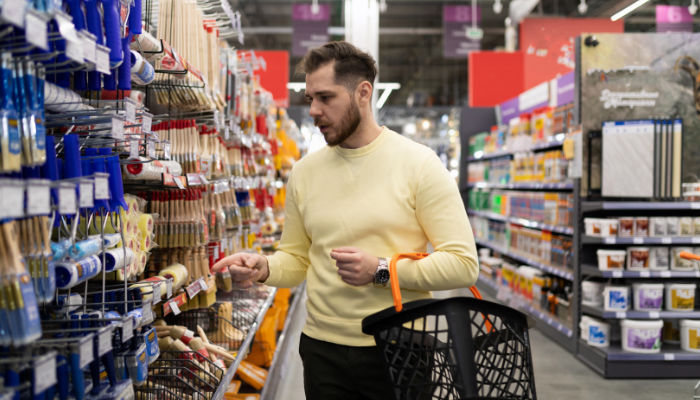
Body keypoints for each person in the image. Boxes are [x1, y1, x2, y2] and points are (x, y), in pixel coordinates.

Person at [212, 41, 479, 400]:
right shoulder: (305, 173)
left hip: (400, 346)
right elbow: (297, 259)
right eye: (310, 99)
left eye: (326, 97)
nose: (315, 111)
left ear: (363, 93)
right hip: (322, 350)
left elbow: (463, 265)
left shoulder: (419, 164)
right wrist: (262, 267)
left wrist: (381, 270)